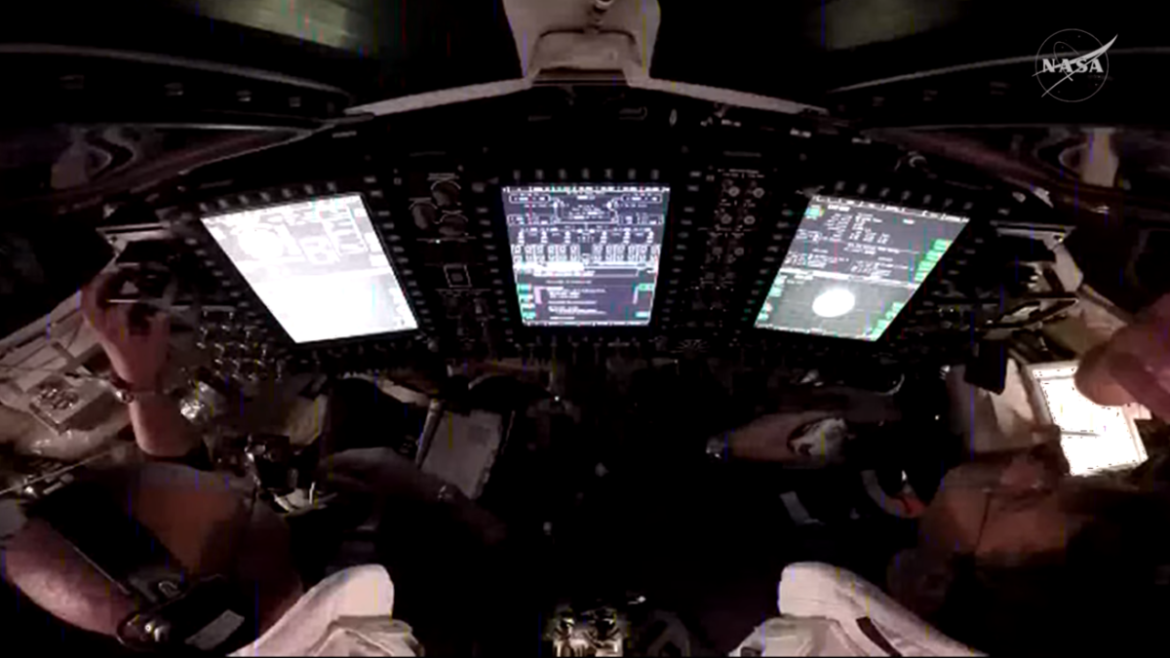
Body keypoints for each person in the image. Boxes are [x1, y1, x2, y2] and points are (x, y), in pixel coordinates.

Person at [5, 271, 1170, 656]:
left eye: (1024, 497)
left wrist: (144, 392)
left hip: (532, 533)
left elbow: (204, 506)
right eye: (1067, 472)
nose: (1033, 457)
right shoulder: (872, 536)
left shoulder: (273, 594)